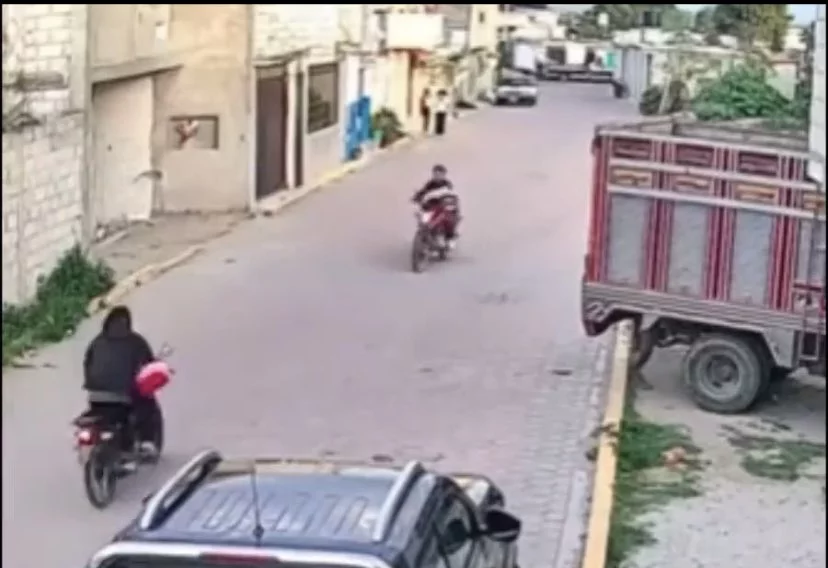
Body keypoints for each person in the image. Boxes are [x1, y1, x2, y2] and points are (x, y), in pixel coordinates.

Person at [83, 305, 155, 470]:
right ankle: (145, 443)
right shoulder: (135, 341)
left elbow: (87, 364)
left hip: (95, 396)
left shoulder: (97, 341)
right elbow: (149, 364)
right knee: (145, 405)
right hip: (122, 394)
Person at [412, 164, 461, 246]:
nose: (437, 176)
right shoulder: (430, 184)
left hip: (443, 207)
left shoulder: (447, 184)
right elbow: (423, 192)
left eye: (439, 174)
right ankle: (425, 237)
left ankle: (449, 238)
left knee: (448, 219)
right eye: (435, 174)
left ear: (444, 175)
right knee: (423, 218)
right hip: (431, 207)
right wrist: (416, 197)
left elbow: (451, 195)